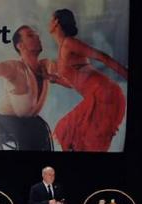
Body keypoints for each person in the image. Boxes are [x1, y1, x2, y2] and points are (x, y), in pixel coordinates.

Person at [48, 8, 128, 152]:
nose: (48, 22)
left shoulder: (69, 43)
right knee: (76, 139)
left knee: (68, 132)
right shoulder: (64, 47)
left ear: (56, 22)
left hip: (104, 94)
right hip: (98, 96)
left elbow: (102, 57)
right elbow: (77, 82)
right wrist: (55, 80)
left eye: (51, 19)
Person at [0, 26, 52, 150]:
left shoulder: (46, 66)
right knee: (25, 133)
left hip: (29, 121)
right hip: (5, 120)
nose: (37, 37)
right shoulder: (14, 67)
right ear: (20, 45)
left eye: (37, 35)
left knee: (41, 131)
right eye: (30, 35)